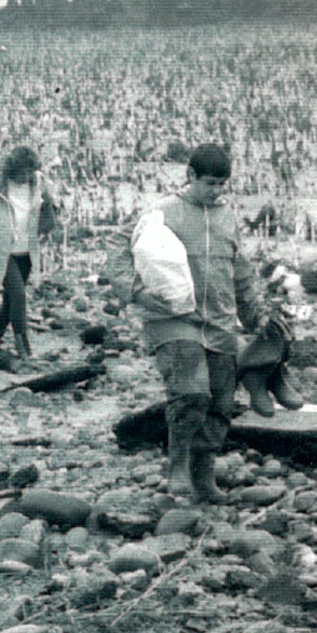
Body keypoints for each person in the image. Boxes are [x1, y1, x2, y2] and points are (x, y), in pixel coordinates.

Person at [114, 143, 266, 503]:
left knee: (221, 400)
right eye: (209, 183)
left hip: (219, 320)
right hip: (173, 319)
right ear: (191, 177)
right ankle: (177, 464)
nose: (215, 191)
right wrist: (136, 290)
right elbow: (120, 245)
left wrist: (254, 314)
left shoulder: (228, 217)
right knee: (191, 392)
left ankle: (204, 473)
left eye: (221, 185)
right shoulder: (164, 211)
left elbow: (240, 269)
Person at [0, 145, 63, 358]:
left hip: (27, 251)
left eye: (30, 171)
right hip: (2, 252)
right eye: (22, 171)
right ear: (12, 170)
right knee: (19, 295)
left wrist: (51, 201)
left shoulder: (37, 182)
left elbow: (56, 199)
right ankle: (23, 346)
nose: (26, 176)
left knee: (12, 300)